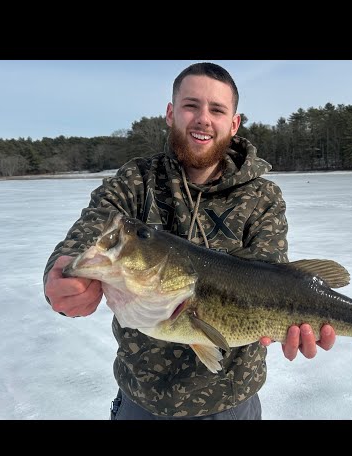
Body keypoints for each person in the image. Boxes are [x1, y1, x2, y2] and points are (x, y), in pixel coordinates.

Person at [43, 62, 336, 420]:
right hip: (141, 398)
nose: (202, 118)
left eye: (217, 109)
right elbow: (87, 235)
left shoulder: (262, 197)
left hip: (232, 403)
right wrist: (59, 275)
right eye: (190, 105)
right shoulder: (136, 180)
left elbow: (271, 277)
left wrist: (296, 324)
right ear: (170, 113)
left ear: (234, 123)